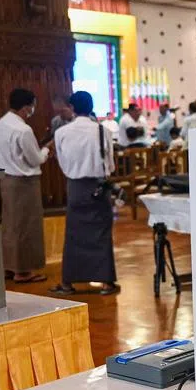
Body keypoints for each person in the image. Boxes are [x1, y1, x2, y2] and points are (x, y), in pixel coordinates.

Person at [50, 91, 119, 297]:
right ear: (91, 107)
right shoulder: (102, 131)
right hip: (98, 187)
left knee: (74, 235)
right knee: (101, 234)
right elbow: (110, 165)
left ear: (71, 107)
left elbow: (61, 162)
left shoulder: (62, 133)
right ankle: (106, 283)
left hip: (75, 187)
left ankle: (68, 283)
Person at [0, 88, 51, 284]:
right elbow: (34, 159)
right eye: (32, 106)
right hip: (24, 183)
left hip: (6, 180)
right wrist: (45, 151)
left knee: (10, 225)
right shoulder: (23, 130)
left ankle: (9, 266)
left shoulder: (2, 123)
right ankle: (24, 271)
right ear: (27, 107)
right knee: (27, 227)